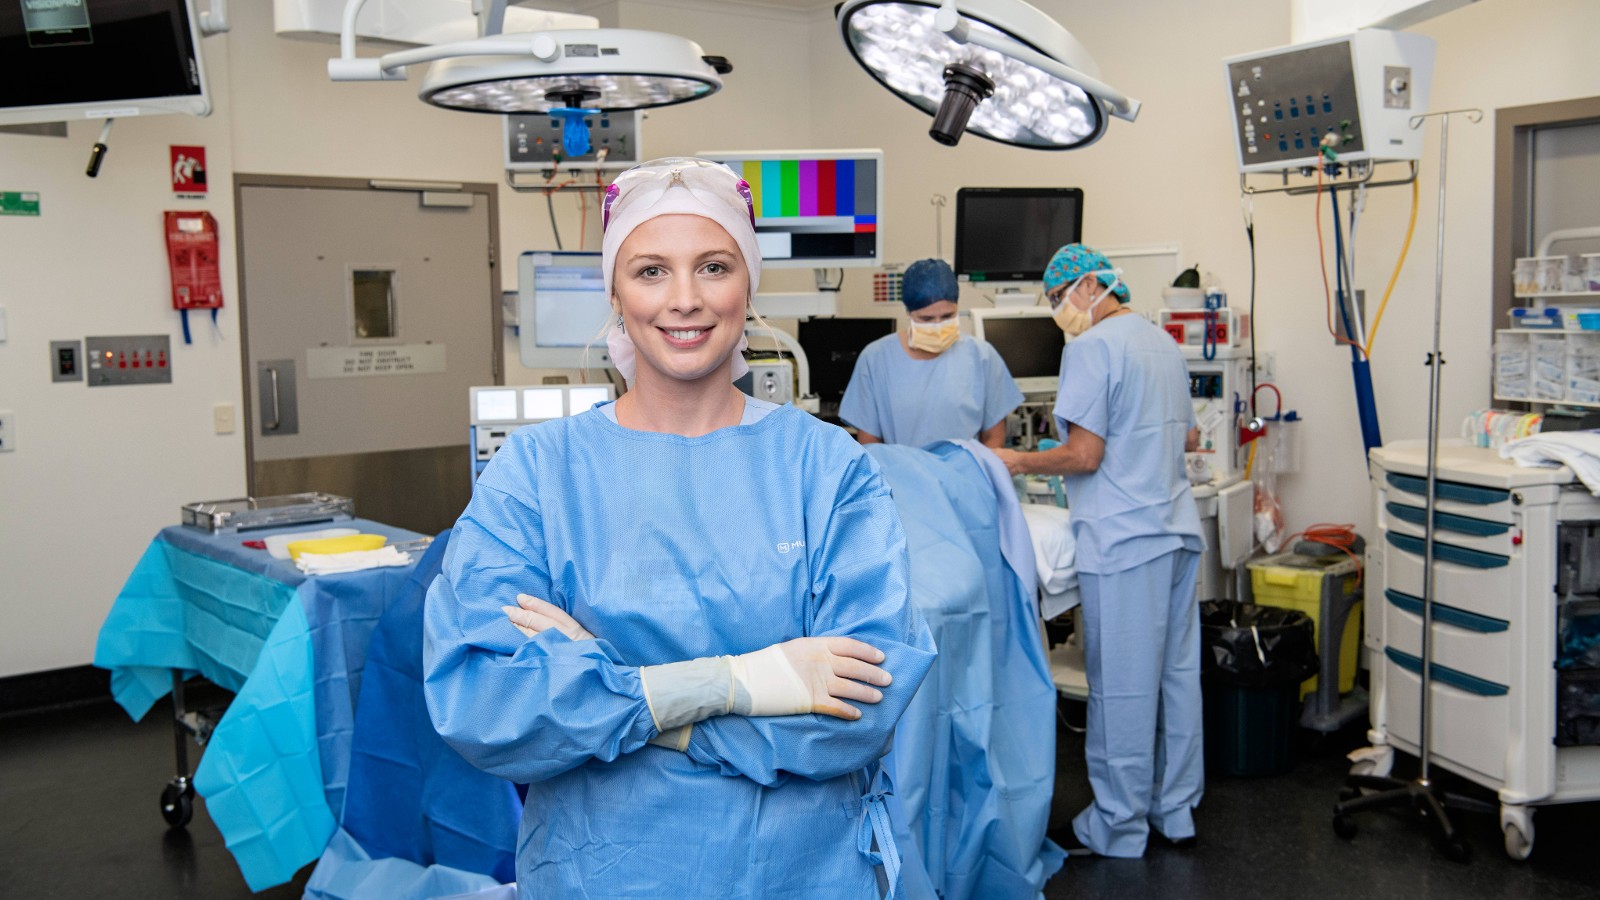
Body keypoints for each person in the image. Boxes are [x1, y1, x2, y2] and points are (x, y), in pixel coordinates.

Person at [423, 157, 937, 898]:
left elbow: (862, 706)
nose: (686, 300)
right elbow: (483, 701)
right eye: (652, 271)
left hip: (803, 872)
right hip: (604, 872)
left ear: (748, 283)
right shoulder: (538, 474)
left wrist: (615, 685)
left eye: (714, 266)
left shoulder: (824, 467)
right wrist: (740, 681)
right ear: (615, 290)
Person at [993, 243, 1205, 859]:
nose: (1060, 310)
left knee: (1123, 688)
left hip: (1124, 538)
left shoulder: (1091, 348)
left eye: (1060, 297)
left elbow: (1085, 456)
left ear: (1089, 286)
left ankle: (1118, 826)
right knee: (1176, 679)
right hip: (1175, 528)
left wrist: (1015, 461)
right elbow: (1187, 433)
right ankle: (1176, 810)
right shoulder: (1161, 343)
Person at [839, 258, 1023, 449]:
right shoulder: (876, 359)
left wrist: (982, 474)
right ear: (909, 312)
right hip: (901, 477)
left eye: (947, 316)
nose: (937, 326)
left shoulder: (981, 356)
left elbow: (994, 437)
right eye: (926, 318)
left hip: (966, 477)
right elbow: (870, 446)